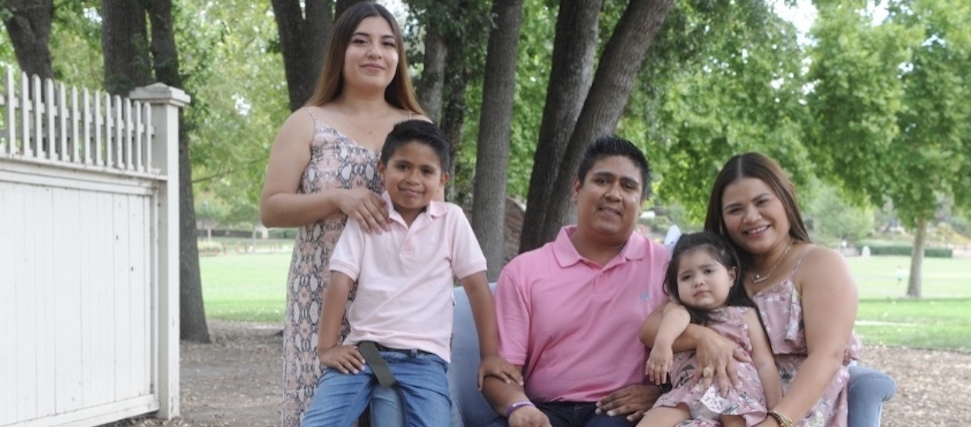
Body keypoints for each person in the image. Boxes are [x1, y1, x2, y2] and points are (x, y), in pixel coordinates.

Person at [256, 3, 427, 425]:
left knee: (391, 414)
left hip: (393, 306)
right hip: (319, 299)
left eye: (387, 43)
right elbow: (271, 208)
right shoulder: (307, 122)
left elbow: (432, 217)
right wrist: (339, 198)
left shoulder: (418, 125)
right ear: (340, 51)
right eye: (361, 41)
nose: (375, 52)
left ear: (398, 58)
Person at [300, 120, 520, 426]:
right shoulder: (367, 217)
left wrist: (491, 355)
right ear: (382, 168)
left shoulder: (451, 221)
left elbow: (478, 290)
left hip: (424, 359)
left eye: (426, 171)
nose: (412, 179)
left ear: (442, 179)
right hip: (363, 353)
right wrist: (327, 348)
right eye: (402, 166)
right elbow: (340, 281)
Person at [643, 152, 862, 426]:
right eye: (735, 209)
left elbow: (827, 356)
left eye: (762, 202)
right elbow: (653, 328)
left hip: (796, 409)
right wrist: (702, 337)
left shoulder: (820, 264)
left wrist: (775, 420)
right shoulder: (719, 271)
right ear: (721, 217)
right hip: (719, 400)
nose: (751, 217)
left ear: (787, 196)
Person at [482, 136, 670, 427]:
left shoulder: (668, 268)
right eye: (602, 181)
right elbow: (500, 372)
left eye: (628, 186)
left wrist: (660, 392)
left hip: (620, 413)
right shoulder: (524, 272)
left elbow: (690, 356)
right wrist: (519, 407)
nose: (614, 194)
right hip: (544, 410)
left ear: (642, 201)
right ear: (577, 188)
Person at [640, 232, 781, 427]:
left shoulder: (745, 314)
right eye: (687, 276)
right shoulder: (680, 310)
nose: (698, 281)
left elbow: (764, 362)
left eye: (708, 271)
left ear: (731, 276)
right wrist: (662, 344)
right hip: (687, 393)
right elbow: (673, 321)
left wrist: (775, 411)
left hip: (735, 391)